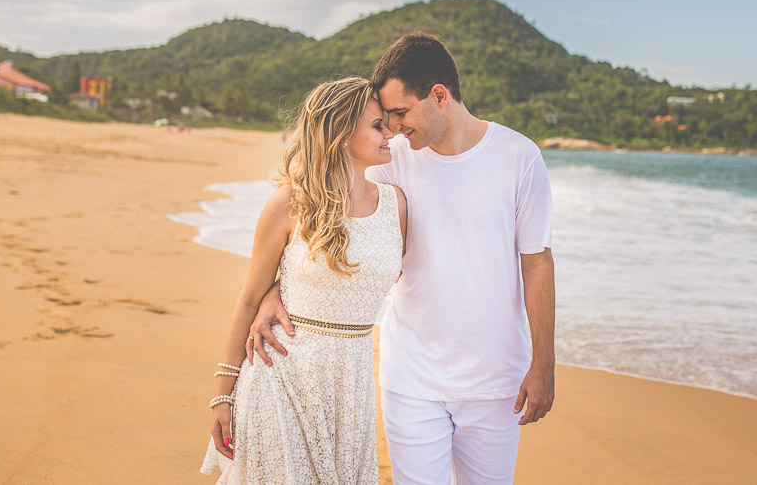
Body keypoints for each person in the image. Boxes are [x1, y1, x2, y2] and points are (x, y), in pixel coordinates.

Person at [251, 33, 556, 484]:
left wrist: (544, 364)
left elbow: (537, 263)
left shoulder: (519, 157)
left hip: (496, 380)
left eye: (399, 113)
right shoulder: (393, 157)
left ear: (439, 96)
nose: (392, 127)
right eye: (385, 118)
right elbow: (321, 208)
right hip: (410, 375)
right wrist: (277, 287)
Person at [200, 76, 408, 484]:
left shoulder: (396, 205)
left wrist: (283, 287)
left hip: (351, 389)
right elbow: (248, 299)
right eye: (377, 125)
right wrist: (223, 394)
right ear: (339, 133)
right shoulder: (289, 202)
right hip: (281, 377)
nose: (390, 133)